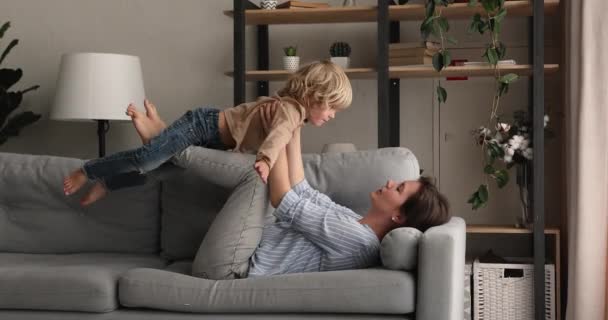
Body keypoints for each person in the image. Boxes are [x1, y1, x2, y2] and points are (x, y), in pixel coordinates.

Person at [62, 60, 352, 206]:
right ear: (314, 97)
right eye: (332, 108)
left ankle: (109, 183)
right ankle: (88, 171)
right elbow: (278, 135)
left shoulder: (292, 113)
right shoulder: (290, 111)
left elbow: (277, 130)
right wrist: (265, 160)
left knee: (165, 172)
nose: (332, 116)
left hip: (212, 140)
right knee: (146, 160)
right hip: (202, 125)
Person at [246, 105, 451, 276]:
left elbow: (282, 199)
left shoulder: (358, 240)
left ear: (399, 216)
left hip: (247, 258)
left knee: (249, 174)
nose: (390, 182)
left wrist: (275, 133)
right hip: (254, 240)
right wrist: (296, 117)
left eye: (398, 188)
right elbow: (303, 191)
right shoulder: (357, 223)